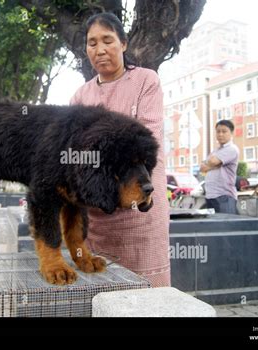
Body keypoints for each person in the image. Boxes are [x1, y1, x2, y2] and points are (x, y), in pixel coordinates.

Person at [70, 12, 170, 287]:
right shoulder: (80, 96)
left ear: (123, 43)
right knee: (102, 287)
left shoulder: (147, 81)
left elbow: (147, 139)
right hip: (97, 208)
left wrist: (98, 153)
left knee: (143, 290)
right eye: (92, 43)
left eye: (107, 40)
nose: (100, 50)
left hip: (141, 201)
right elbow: (73, 152)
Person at [200, 120, 239, 214]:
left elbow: (212, 161)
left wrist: (211, 163)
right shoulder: (216, 150)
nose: (220, 134)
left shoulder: (232, 149)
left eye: (224, 131)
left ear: (231, 133)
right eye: (218, 131)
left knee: (226, 227)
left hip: (224, 197)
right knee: (214, 228)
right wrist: (214, 165)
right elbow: (202, 168)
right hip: (210, 196)